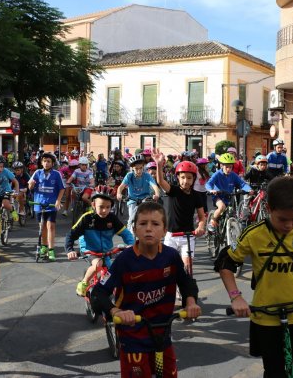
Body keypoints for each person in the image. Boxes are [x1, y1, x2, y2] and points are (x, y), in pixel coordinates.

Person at [215, 176, 293, 377]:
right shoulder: (253, 234)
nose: (289, 225)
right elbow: (225, 262)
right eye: (283, 219)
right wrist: (235, 296)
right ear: (268, 208)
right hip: (265, 317)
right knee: (274, 371)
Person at [90, 202, 201, 377]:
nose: (149, 229)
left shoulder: (171, 256)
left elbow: (187, 282)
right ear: (134, 229)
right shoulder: (124, 260)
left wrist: (191, 301)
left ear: (165, 230)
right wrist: (116, 311)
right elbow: (98, 293)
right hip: (133, 336)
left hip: (163, 334)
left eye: (155, 224)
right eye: (143, 224)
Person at [64, 192, 134, 296]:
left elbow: (126, 233)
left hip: (106, 251)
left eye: (108, 207)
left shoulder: (112, 218)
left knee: (114, 272)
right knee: (98, 264)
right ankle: (84, 283)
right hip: (90, 249)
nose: (105, 210)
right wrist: (70, 250)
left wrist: (131, 245)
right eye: (101, 207)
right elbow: (71, 235)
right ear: (93, 205)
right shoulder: (86, 218)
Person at [153, 149, 206, 270]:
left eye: (189, 178)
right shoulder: (173, 191)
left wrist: (200, 227)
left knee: (187, 266)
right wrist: (159, 164)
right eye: (182, 177)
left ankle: (183, 287)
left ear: (193, 179)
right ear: (177, 177)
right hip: (171, 235)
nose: (185, 181)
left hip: (188, 236)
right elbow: (160, 181)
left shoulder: (196, 195)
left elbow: (202, 216)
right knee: (166, 267)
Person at [28, 152, 65, 262]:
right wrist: (31, 185)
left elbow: (62, 189)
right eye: (44, 161)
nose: (46, 163)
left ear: (52, 163)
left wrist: (58, 201)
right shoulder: (37, 172)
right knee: (42, 226)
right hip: (39, 204)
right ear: (41, 162)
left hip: (51, 204)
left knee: (51, 226)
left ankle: (51, 249)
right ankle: (43, 247)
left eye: (49, 161)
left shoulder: (57, 174)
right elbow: (30, 187)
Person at [205, 153, 252, 232]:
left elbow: (242, 184)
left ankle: (228, 230)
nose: (229, 169)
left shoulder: (233, 175)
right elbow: (208, 184)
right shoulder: (217, 174)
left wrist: (249, 189)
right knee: (221, 207)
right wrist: (211, 190)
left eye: (230, 167)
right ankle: (212, 221)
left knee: (231, 212)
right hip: (218, 196)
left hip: (228, 197)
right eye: (226, 167)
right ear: (221, 166)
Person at [116, 154, 161, 235]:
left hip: (145, 199)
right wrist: (119, 193)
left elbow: (155, 186)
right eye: (136, 169)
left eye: (141, 168)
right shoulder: (129, 176)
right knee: (131, 219)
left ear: (143, 167)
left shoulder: (147, 175)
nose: (139, 171)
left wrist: (157, 194)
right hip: (132, 200)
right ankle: (130, 237)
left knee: (147, 216)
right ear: (132, 168)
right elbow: (121, 187)